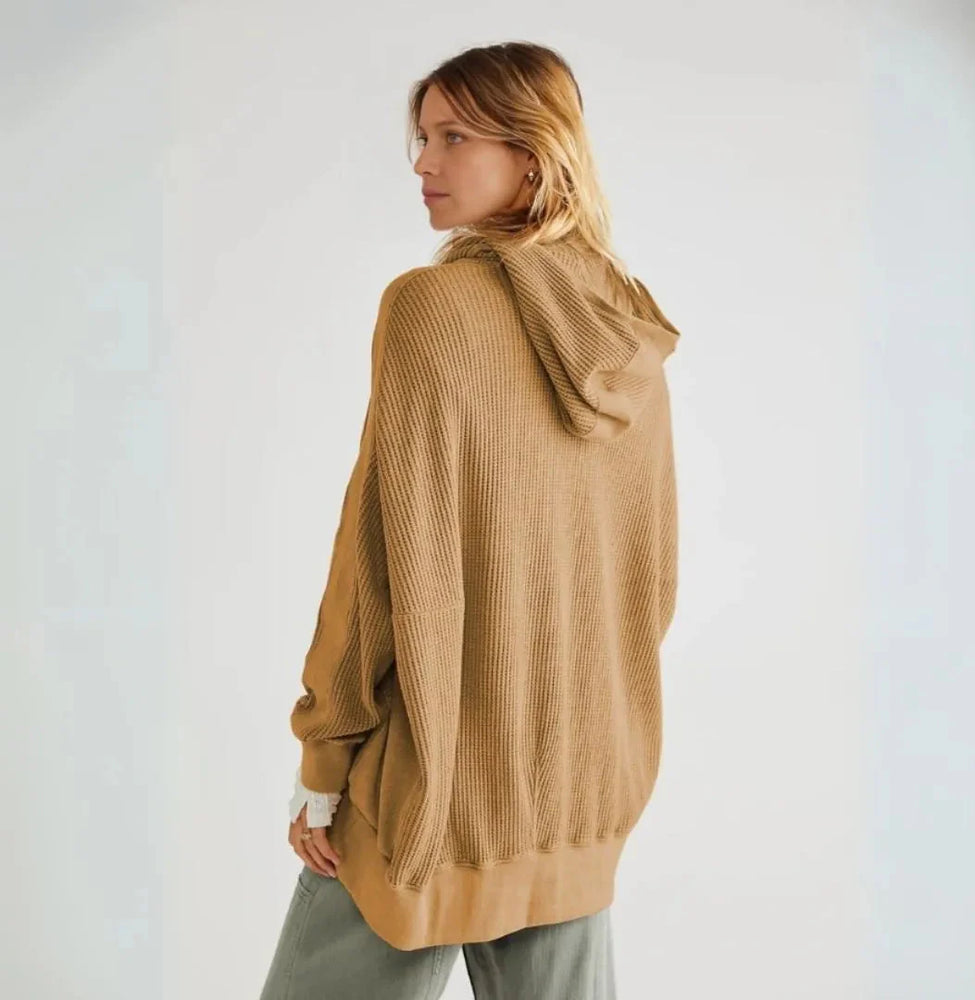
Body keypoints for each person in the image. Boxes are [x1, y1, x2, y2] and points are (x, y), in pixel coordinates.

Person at [259, 40, 682, 1000]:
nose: (423, 162)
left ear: (533, 153)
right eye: (422, 137)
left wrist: (325, 758)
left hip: (436, 784)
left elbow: (377, 560)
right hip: (580, 782)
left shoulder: (430, 309)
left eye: (454, 137)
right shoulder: (622, 322)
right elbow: (651, 573)